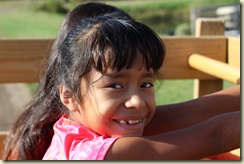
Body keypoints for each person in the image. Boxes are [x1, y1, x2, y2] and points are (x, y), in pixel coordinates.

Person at [3, 2, 240, 160]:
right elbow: (215, 135)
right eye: (115, 85)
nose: (137, 101)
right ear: (69, 95)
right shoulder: (106, 153)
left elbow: (196, 111)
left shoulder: (74, 127)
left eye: (146, 83)